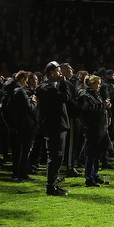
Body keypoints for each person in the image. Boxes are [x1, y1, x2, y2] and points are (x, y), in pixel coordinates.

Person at [35, 62, 72, 196]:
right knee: (55, 156)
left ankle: (54, 183)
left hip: (59, 124)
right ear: (51, 73)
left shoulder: (52, 87)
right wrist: (64, 83)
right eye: (58, 71)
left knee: (58, 156)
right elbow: (64, 98)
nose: (60, 74)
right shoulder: (45, 88)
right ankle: (51, 186)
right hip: (53, 125)